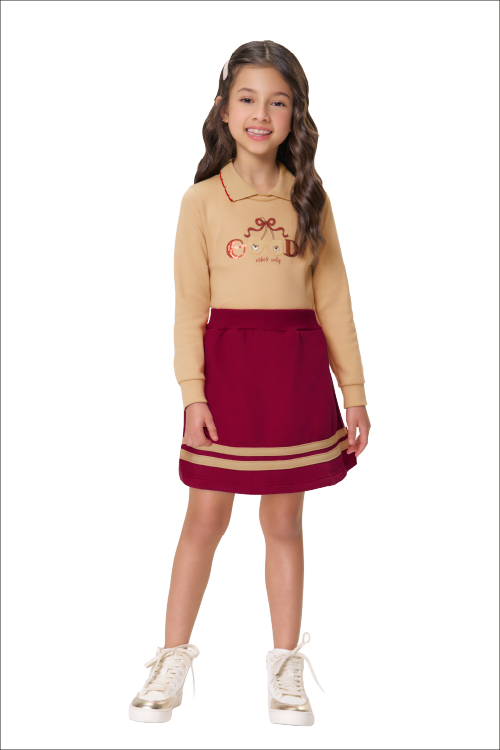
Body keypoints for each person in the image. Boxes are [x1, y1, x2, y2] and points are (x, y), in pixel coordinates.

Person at [129, 40, 371, 728]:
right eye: (247, 98)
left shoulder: (310, 198)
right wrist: (192, 395)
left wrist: (354, 392)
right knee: (204, 519)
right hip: (228, 375)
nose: (261, 114)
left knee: (283, 523)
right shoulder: (201, 201)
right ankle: (171, 658)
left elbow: (334, 302)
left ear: (296, 115)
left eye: (278, 101)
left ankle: (285, 671)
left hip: (294, 374)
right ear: (223, 109)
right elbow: (188, 308)